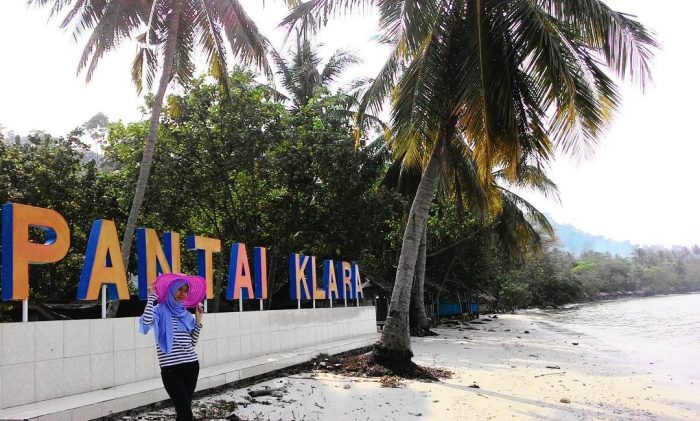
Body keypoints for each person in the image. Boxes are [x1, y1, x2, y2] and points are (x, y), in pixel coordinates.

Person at [139, 274, 205, 421]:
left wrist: (198, 321)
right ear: (171, 290)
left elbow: (192, 342)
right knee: (184, 410)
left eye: (185, 290)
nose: (182, 293)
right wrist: (151, 298)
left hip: (191, 365)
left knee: (184, 409)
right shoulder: (159, 310)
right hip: (171, 369)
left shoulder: (186, 314)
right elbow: (146, 322)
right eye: (179, 289)